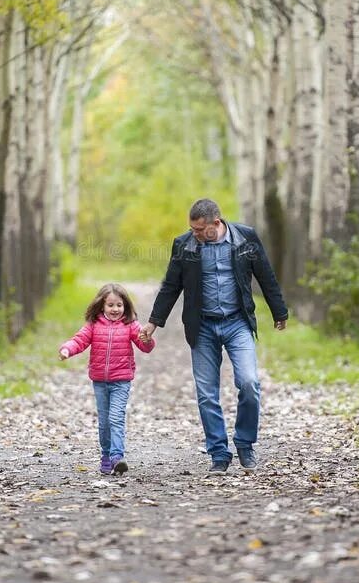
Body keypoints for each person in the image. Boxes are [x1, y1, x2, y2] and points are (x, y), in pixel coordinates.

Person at [140, 199, 287, 474]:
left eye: (199, 229)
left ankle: (245, 443)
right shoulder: (185, 245)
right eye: (192, 229)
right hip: (203, 327)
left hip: (237, 323)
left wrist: (279, 311)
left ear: (216, 223)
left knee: (249, 383)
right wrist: (154, 322)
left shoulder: (245, 238)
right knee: (207, 394)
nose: (194, 234)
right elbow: (171, 286)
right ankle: (219, 453)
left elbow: (266, 276)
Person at [59, 283, 155, 476]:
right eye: (110, 305)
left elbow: (146, 346)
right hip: (100, 381)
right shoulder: (94, 325)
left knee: (116, 418)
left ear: (125, 306)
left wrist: (147, 339)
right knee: (104, 422)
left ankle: (117, 457)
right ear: (101, 306)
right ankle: (105, 455)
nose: (115, 309)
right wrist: (67, 349)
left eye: (119, 305)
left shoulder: (130, 325)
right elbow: (80, 340)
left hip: (121, 380)